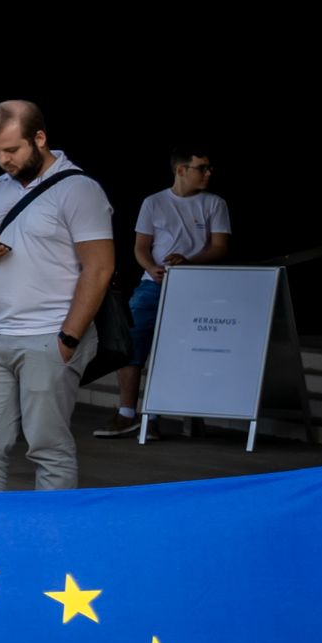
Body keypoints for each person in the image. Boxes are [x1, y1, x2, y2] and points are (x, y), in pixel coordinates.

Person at [0, 99, 115, 493]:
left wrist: (69, 338)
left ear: (40, 138)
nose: (3, 160)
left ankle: (51, 529)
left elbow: (99, 269)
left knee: (48, 448)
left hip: (51, 334)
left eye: (12, 149)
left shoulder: (79, 189)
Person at [95, 148, 232, 433]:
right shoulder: (154, 202)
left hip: (195, 288)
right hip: (153, 284)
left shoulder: (215, 203)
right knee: (131, 342)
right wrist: (152, 267)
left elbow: (219, 247)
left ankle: (156, 416)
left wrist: (189, 262)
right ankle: (126, 412)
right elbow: (141, 247)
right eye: (202, 168)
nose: (208, 173)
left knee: (177, 349)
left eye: (209, 168)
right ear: (181, 170)